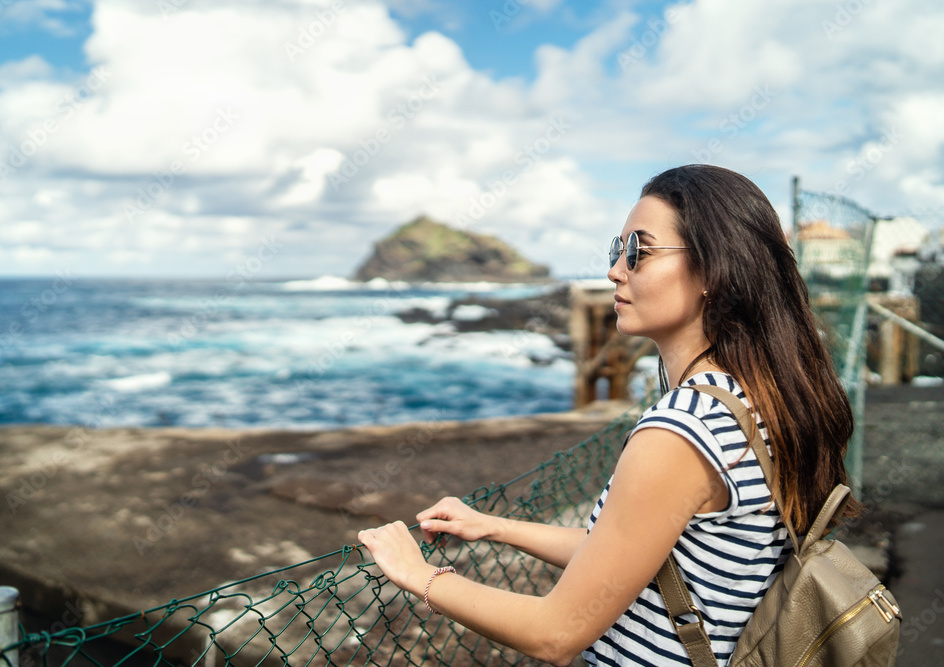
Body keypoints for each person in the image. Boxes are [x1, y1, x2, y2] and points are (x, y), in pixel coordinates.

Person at [357, 164, 858, 666]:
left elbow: (555, 634)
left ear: (713, 270)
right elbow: (632, 556)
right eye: (617, 251)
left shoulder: (685, 428)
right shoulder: (755, 398)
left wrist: (416, 573)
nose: (616, 271)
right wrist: (495, 527)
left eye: (639, 251)